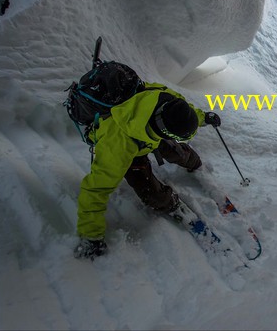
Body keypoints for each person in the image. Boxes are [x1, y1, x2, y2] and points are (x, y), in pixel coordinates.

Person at [73, 80, 221, 260]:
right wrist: (91, 236)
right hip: (130, 140)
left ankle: (195, 164)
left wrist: (203, 117)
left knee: (177, 151)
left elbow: (184, 112)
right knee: (150, 192)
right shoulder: (118, 145)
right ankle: (168, 202)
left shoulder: (166, 99)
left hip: (149, 133)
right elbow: (95, 190)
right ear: (166, 131)